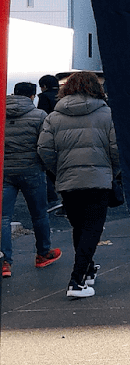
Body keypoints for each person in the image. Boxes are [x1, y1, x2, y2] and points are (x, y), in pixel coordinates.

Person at [37, 71, 119, 299]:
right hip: (98, 179)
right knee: (92, 229)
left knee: (79, 228)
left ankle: (89, 268)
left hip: (68, 181)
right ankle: (77, 280)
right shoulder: (107, 114)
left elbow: (44, 150)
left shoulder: (54, 116)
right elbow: (116, 149)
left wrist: (59, 170)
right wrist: (112, 170)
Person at [2, 82, 61, 278]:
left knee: (3, 218)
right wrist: (46, 166)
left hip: (4, 172)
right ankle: (43, 254)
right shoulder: (39, 116)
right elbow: (45, 145)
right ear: (33, 96)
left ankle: (5, 262)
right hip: (32, 170)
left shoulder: (2, 114)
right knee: (39, 215)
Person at [38, 74, 60, 208]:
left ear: (44, 87)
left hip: (51, 134)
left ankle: (52, 198)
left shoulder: (45, 97)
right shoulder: (63, 96)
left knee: (47, 166)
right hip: (65, 134)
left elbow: (42, 117)